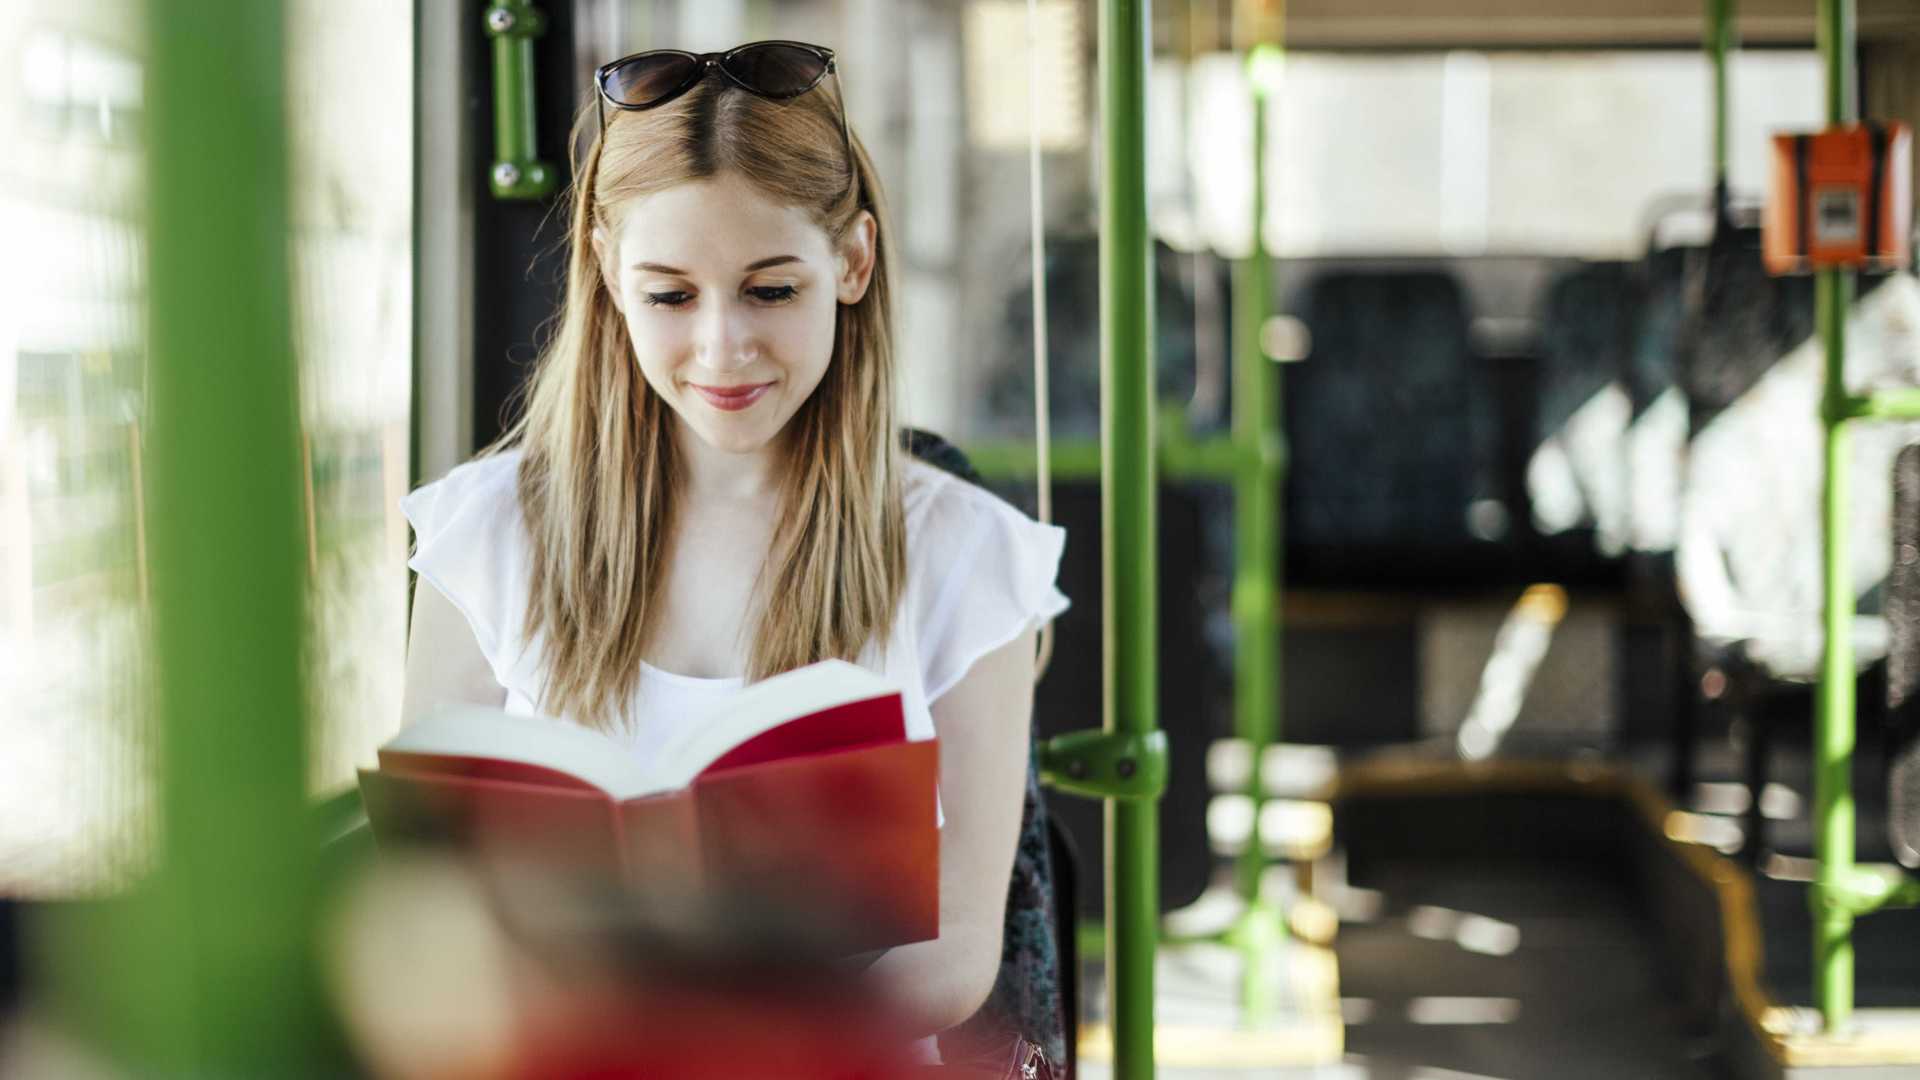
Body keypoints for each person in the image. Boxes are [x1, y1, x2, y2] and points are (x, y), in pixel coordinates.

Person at [395, 41, 1069, 1067]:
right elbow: (422, 901)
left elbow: (958, 952)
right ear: (607, 274)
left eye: (769, 291)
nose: (721, 349)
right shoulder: (486, 536)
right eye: (670, 297)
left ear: (852, 264)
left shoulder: (966, 557)